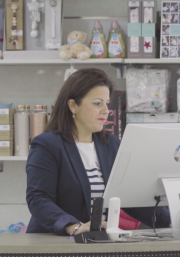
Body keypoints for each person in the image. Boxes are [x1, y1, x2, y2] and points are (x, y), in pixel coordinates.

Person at [26, 68, 170, 236]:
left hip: (97, 244)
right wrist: (73, 226)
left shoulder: (111, 144)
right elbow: (38, 199)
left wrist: (171, 220)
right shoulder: (47, 145)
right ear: (73, 106)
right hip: (55, 245)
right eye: (97, 103)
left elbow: (129, 198)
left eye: (107, 103)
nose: (105, 110)